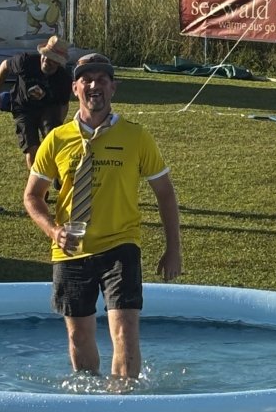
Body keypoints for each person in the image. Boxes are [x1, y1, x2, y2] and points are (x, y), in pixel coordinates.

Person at [23, 52, 182, 379]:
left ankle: (123, 400)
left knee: (125, 332)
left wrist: (173, 249)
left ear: (113, 88)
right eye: (87, 80)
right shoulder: (57, 139)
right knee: (78, 336)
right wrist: (54, 231)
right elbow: (32, 196)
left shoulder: (136, 136)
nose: (94, 86)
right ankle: (89, 398)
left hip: (120, 245)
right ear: (75, 88)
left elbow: (165, 193)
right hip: (70, 249)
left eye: (102, 80)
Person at [0, 36, 72, 169]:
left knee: (53, 142)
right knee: (31, 148)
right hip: (23, 109)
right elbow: (4, 66)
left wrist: (58, 126)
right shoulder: (25, 61)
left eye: (52, 59)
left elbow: (63, 105)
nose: (46, 60)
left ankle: (56, 175)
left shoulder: (63, 79)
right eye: (45, 55)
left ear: (59, 62)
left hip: (48, 109)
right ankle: (36, 181)